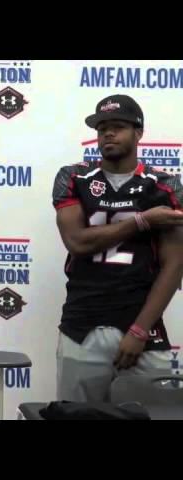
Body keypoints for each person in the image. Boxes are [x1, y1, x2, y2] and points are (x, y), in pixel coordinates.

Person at [52, 94, 183, 402]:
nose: (108, 134)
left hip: (142, 324)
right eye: (102, 128)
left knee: (160, 412)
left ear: (138, 132)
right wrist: (141, 221)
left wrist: (139, 331)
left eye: (118, 126)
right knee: (74, 415)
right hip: (82, 323)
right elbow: (77, 242)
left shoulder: (164, 186)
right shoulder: (74, 177)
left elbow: (174, 265)